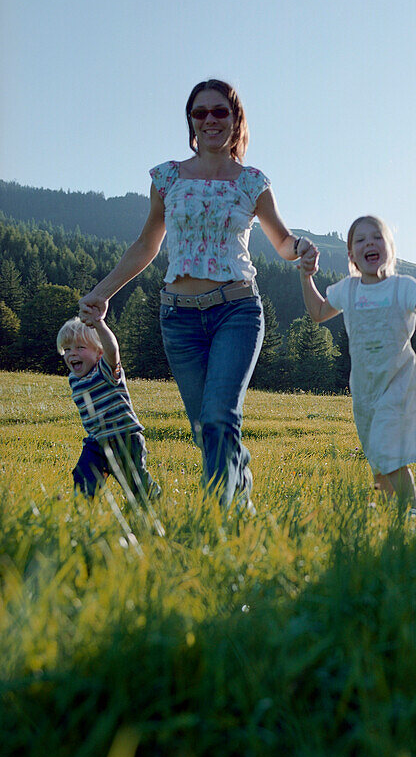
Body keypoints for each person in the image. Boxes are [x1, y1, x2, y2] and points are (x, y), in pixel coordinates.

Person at [79, 79, 311, 508]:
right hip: (179, 318)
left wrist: (301, 250)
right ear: (190, 120)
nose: (209, 120)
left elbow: (282, 240)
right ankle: (238, 497)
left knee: (221, 417)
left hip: (236, 311)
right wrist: (103, 291)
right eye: (200, 112)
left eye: (219, 112)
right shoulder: (168, 178)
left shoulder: (252, 182)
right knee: (205, 426)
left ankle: (219, 520)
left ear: (235, 118)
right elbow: (148, 243)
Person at [298, 215, 416, 514]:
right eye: (360, 240)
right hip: (366, 390)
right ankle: (391, 518)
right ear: (352, 256)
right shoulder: (348, 290)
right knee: (378, 459)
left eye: (377, 237)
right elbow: (317, 312)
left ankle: (415, 515)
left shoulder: (403, 288)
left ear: (390, 248)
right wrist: (306, 277)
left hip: (400, 385)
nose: (370, 242)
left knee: (389, 452)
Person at [58, 315, 160, 501]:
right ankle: (83, 513)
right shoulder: (74, 379)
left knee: (137, 487)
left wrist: (98, 323)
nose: (72, 353)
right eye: (67, 349)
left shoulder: (105, 370)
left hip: (125, 440)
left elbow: (113, 349)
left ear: (99, 353)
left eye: (80, 347)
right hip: (97, 442)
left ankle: (154, 502)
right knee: (83, 477)